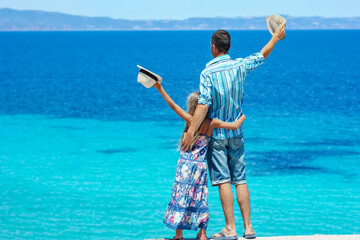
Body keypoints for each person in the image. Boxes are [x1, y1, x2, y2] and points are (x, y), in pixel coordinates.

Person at [181, 27, 286, 240]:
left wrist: (191, 132)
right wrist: (275, 37)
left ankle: (230, 228)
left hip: (217, 136)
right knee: (240, 179)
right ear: (228, 47)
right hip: (237, 131)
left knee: (222, 180)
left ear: (213, 47)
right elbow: (261, 55)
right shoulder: (239, 65)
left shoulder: (207, 72)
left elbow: (203, 104)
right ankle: (249, 228)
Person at [152, 82, 246, 240]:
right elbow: (235, 125)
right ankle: (202, 234)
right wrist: (243, 115)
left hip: (184, 167)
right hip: (200, 169)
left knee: (181, 197)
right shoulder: (211, 123)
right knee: (200, 197)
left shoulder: (190, 120)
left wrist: (160, 88)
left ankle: (178, 234)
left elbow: (173, 106)